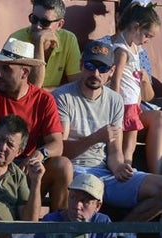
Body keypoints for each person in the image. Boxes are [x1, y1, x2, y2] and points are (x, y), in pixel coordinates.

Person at [54, 39, 162, 223]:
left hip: (105, 172)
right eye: (90, 65)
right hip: (74, 171)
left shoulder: (115, 100)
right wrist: (95, 138)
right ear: (81, 65)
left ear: (111, 71)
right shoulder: (62, 97)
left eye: (102, 68)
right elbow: (60, 151)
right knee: (84, 191)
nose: (95, 73)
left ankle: (121, 233)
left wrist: (119, 167)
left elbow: (114, 151)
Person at [0, 36, 69, 211]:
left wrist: (39, 155)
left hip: (25, 168)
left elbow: (57, 144)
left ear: (24, 73)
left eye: (6, 69)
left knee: (63, 166)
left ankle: (58, 231)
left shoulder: (43, 99)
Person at [108, 2, 159, 162]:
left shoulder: (136, 49)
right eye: (147, 35)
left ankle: (129, 165)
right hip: (123, 104)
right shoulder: (121, 51)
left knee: (131, 146)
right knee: (124, 145)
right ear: (136, 27)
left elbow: (146, 93)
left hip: (134, 104)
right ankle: (124, 165)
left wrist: (143, 81)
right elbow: (115, 79)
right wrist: (115, 105)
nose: (148, 40)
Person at [8, 0, 80, 89]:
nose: (38, 26)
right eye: (34, 19)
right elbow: (33, 88)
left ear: (59, 25)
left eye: (45, 22)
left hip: (55, 100)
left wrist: (45, 93)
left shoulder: (68, 39)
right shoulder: (16, 39)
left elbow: (76, 84)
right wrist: (38, 43)